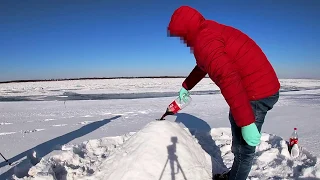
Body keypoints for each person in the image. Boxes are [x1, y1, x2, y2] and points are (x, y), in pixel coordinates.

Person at [167, 5, 280, 180]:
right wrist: (186, 85)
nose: (181, 39)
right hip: (254, 88)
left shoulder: (205, 40)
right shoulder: (206, 32)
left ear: (186, 28)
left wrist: (247, 122)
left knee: (244, 151)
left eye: (181, 34)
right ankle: (234, 175)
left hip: (257, 93)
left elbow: (228, 79)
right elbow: (203, 66)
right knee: (238, 133)